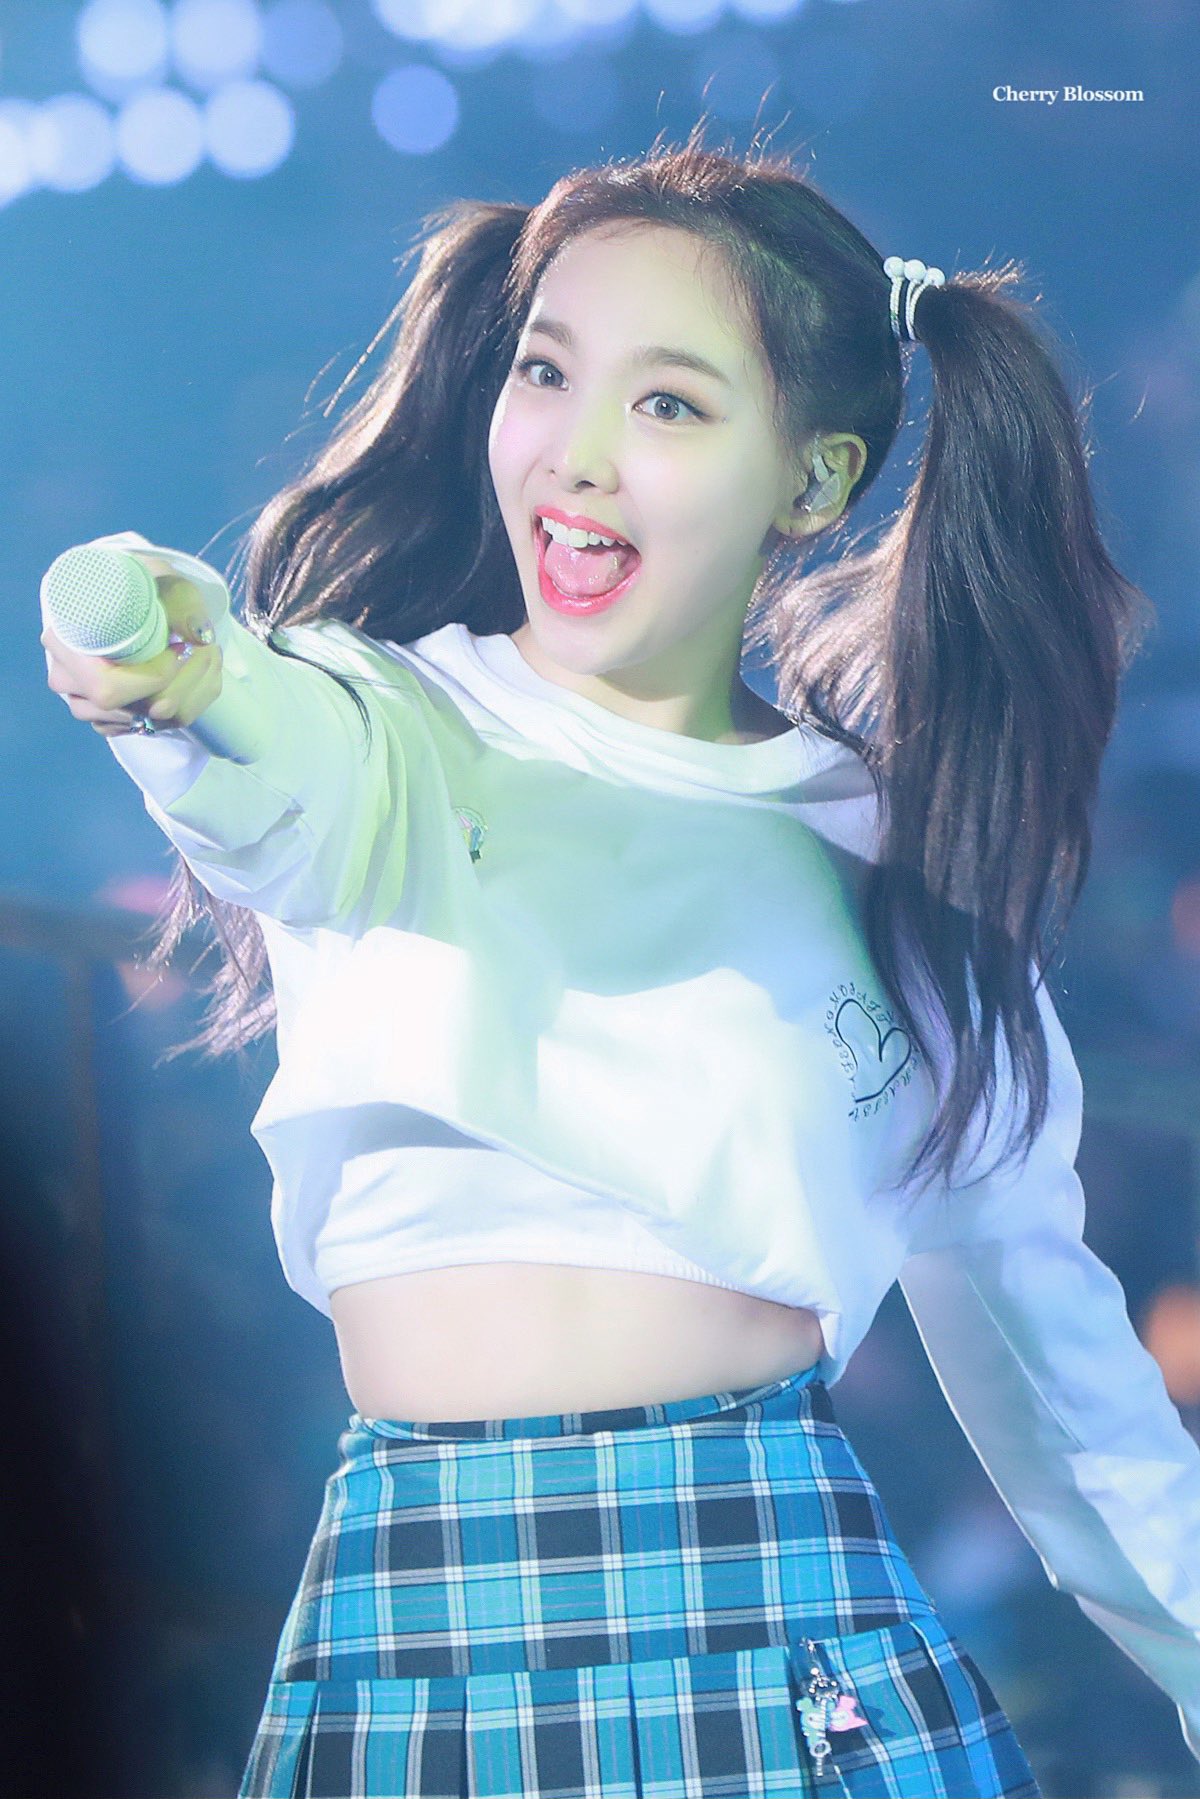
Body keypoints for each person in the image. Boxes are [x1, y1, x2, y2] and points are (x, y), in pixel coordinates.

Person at [41, 122, 1200, 1798]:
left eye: (667, 404)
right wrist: (178, 669)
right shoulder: (381, 724)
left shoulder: (904, 876)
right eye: (546, 373)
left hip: (786, 1629)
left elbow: (1061, 1380)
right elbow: (256, 756)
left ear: (812, 481)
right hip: (416, 1633)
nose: (577, 454)